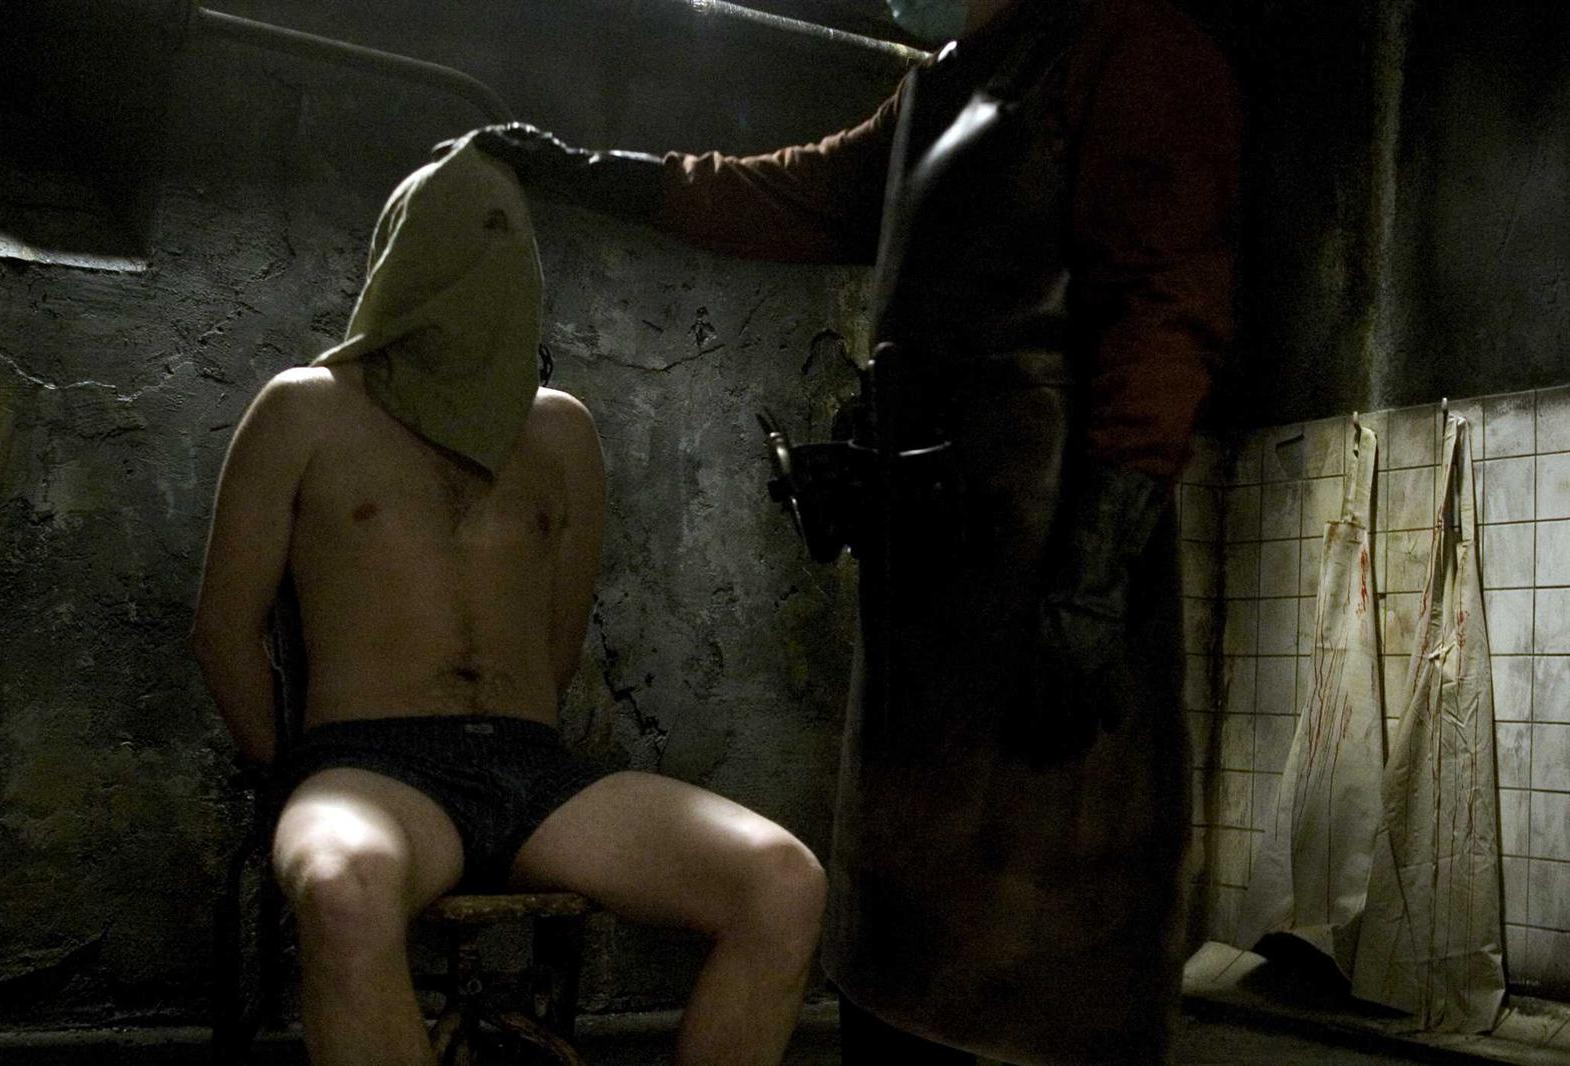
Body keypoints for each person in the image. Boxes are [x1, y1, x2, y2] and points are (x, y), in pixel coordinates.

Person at [473, 0, 1241, 1062]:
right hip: (933, 573)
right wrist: (582, 171)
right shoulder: (942, 85)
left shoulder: (1129, 47)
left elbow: (1164, 316)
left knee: (1046, 964)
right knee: (903, 942)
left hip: (1048, 555)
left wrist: (1094, 579)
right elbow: (785, 191)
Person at [190, 132, 827, 1066]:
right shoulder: (304, 408)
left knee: (783, 880)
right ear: (405, 253)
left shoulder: (560, 431)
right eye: (463, 234)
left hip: (535, 772)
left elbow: (557, 646)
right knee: (341, 886)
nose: (487, 259)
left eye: (507, 235)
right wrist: (294, 777)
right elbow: (223, 633)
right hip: (371, 767)